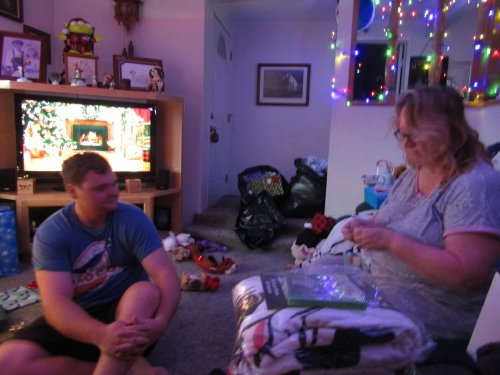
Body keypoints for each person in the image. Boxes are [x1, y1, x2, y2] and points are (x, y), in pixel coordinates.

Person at [341, 86, 500, 362]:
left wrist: (391, 242)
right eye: (401, 134)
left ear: (447, 131)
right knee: (294, 287)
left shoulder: (474, 184)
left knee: (305, 331)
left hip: (434, 317)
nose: (405, 144)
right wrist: (364, 225)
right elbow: (387, 219)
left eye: (414, 135)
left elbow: (467, 274)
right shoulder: (416, 171)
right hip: (381, 288)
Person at [0, 152, 181, 375]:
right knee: (7, 361)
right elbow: (56, 304)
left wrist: (161, 323)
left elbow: (165, 275)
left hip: (127, 312)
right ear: (72, 191)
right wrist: (101, 335)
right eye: (100, 188)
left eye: (114, 184)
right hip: (79, 317)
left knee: (145, 291)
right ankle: (133, 369)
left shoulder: (133, 219)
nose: (113, 192)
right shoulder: (51, 233)